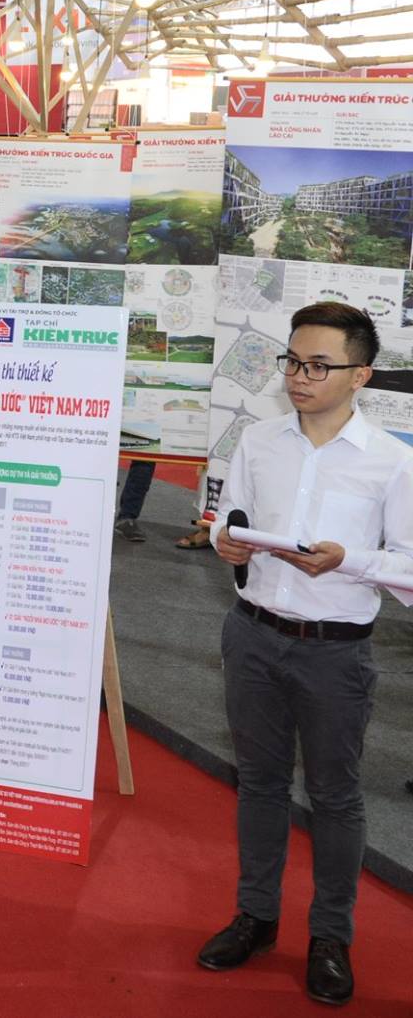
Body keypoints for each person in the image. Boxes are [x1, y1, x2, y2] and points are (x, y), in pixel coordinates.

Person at [198, 302, 413, 1006]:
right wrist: (227, 542)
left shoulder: (392, 461)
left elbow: (410, 567)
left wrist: (349, 560)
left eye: (318, 365)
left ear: (361, 375)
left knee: (335, 797)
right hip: (253, 635)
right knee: (259, 785)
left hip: (335, 653)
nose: (298, 375)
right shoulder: (259, 441)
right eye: (292, 360)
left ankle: (329, 937)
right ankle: (256, 918)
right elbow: (231, 522)